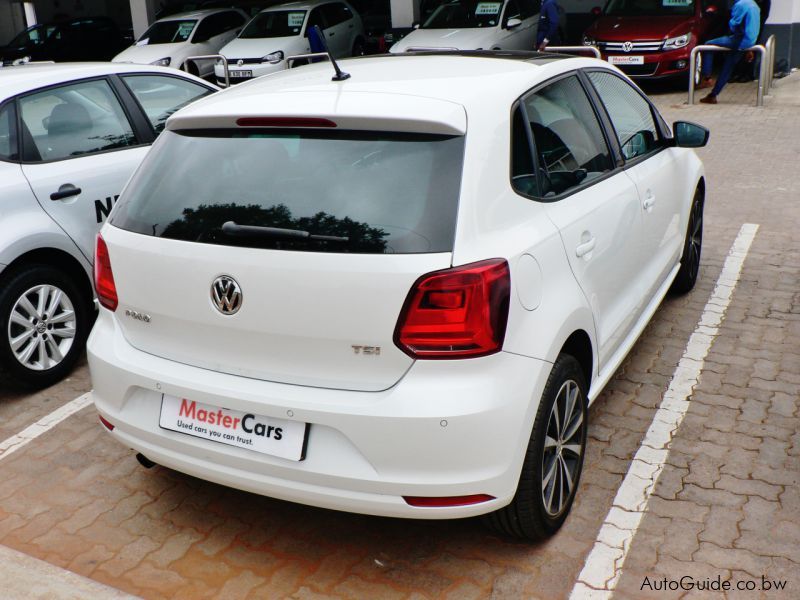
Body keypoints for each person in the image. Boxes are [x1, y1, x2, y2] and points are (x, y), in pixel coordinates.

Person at [698, 0, 760, 104]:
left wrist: (732, 33)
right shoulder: (754, 5)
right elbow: (752, 28)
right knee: (728, 67)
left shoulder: (740, 5)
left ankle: (707, 77)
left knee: (708, 45)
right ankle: (713, 95)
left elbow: (734, 23)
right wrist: (748, 48)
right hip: (749, 41)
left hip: (739, 39)